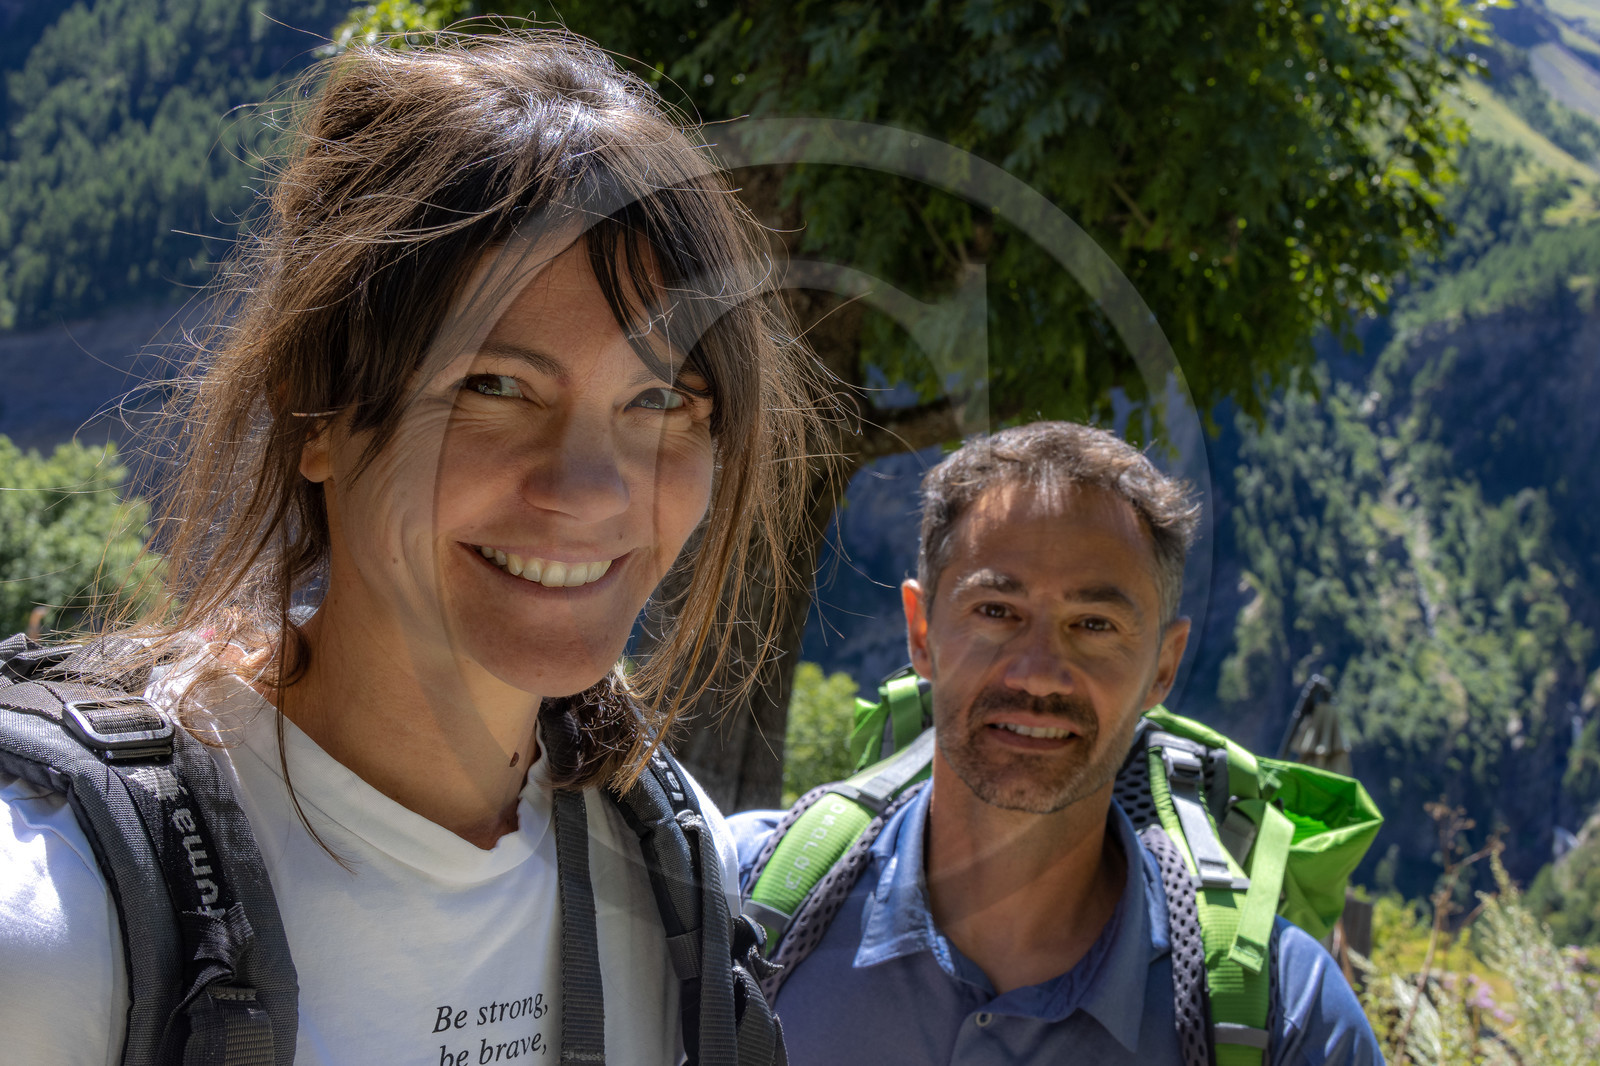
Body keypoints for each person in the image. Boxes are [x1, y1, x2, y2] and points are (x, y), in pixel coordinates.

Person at [0, 31, 831, 1065]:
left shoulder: (669, 860)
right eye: (494, 387)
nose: (585, 491)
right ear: (314, 417)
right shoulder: (54, 921)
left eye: (659, 400)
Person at [729, 422, 1381, 1065]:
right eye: (995, 611)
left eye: (1093, 625)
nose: (1037, 671)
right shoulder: (730, 905)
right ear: (922, 633)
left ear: (1163, 665)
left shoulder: (1292, 1022)